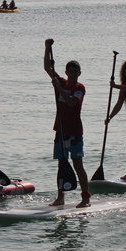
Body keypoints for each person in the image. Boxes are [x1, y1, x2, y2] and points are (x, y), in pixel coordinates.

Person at [43, 38, 90, 207]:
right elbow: (47, 67)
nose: (71, 74)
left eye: (75, 72)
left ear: (79, 73)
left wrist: (59, 88)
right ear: (66, 72)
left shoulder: (80, 88)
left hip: (75, 132)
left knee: (78, 166)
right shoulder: (60, 81)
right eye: (69, 71)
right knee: (61, 165)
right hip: (61, 130)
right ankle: (60, 197)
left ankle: (85, 198)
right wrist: (47, 48)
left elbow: (71, 103)